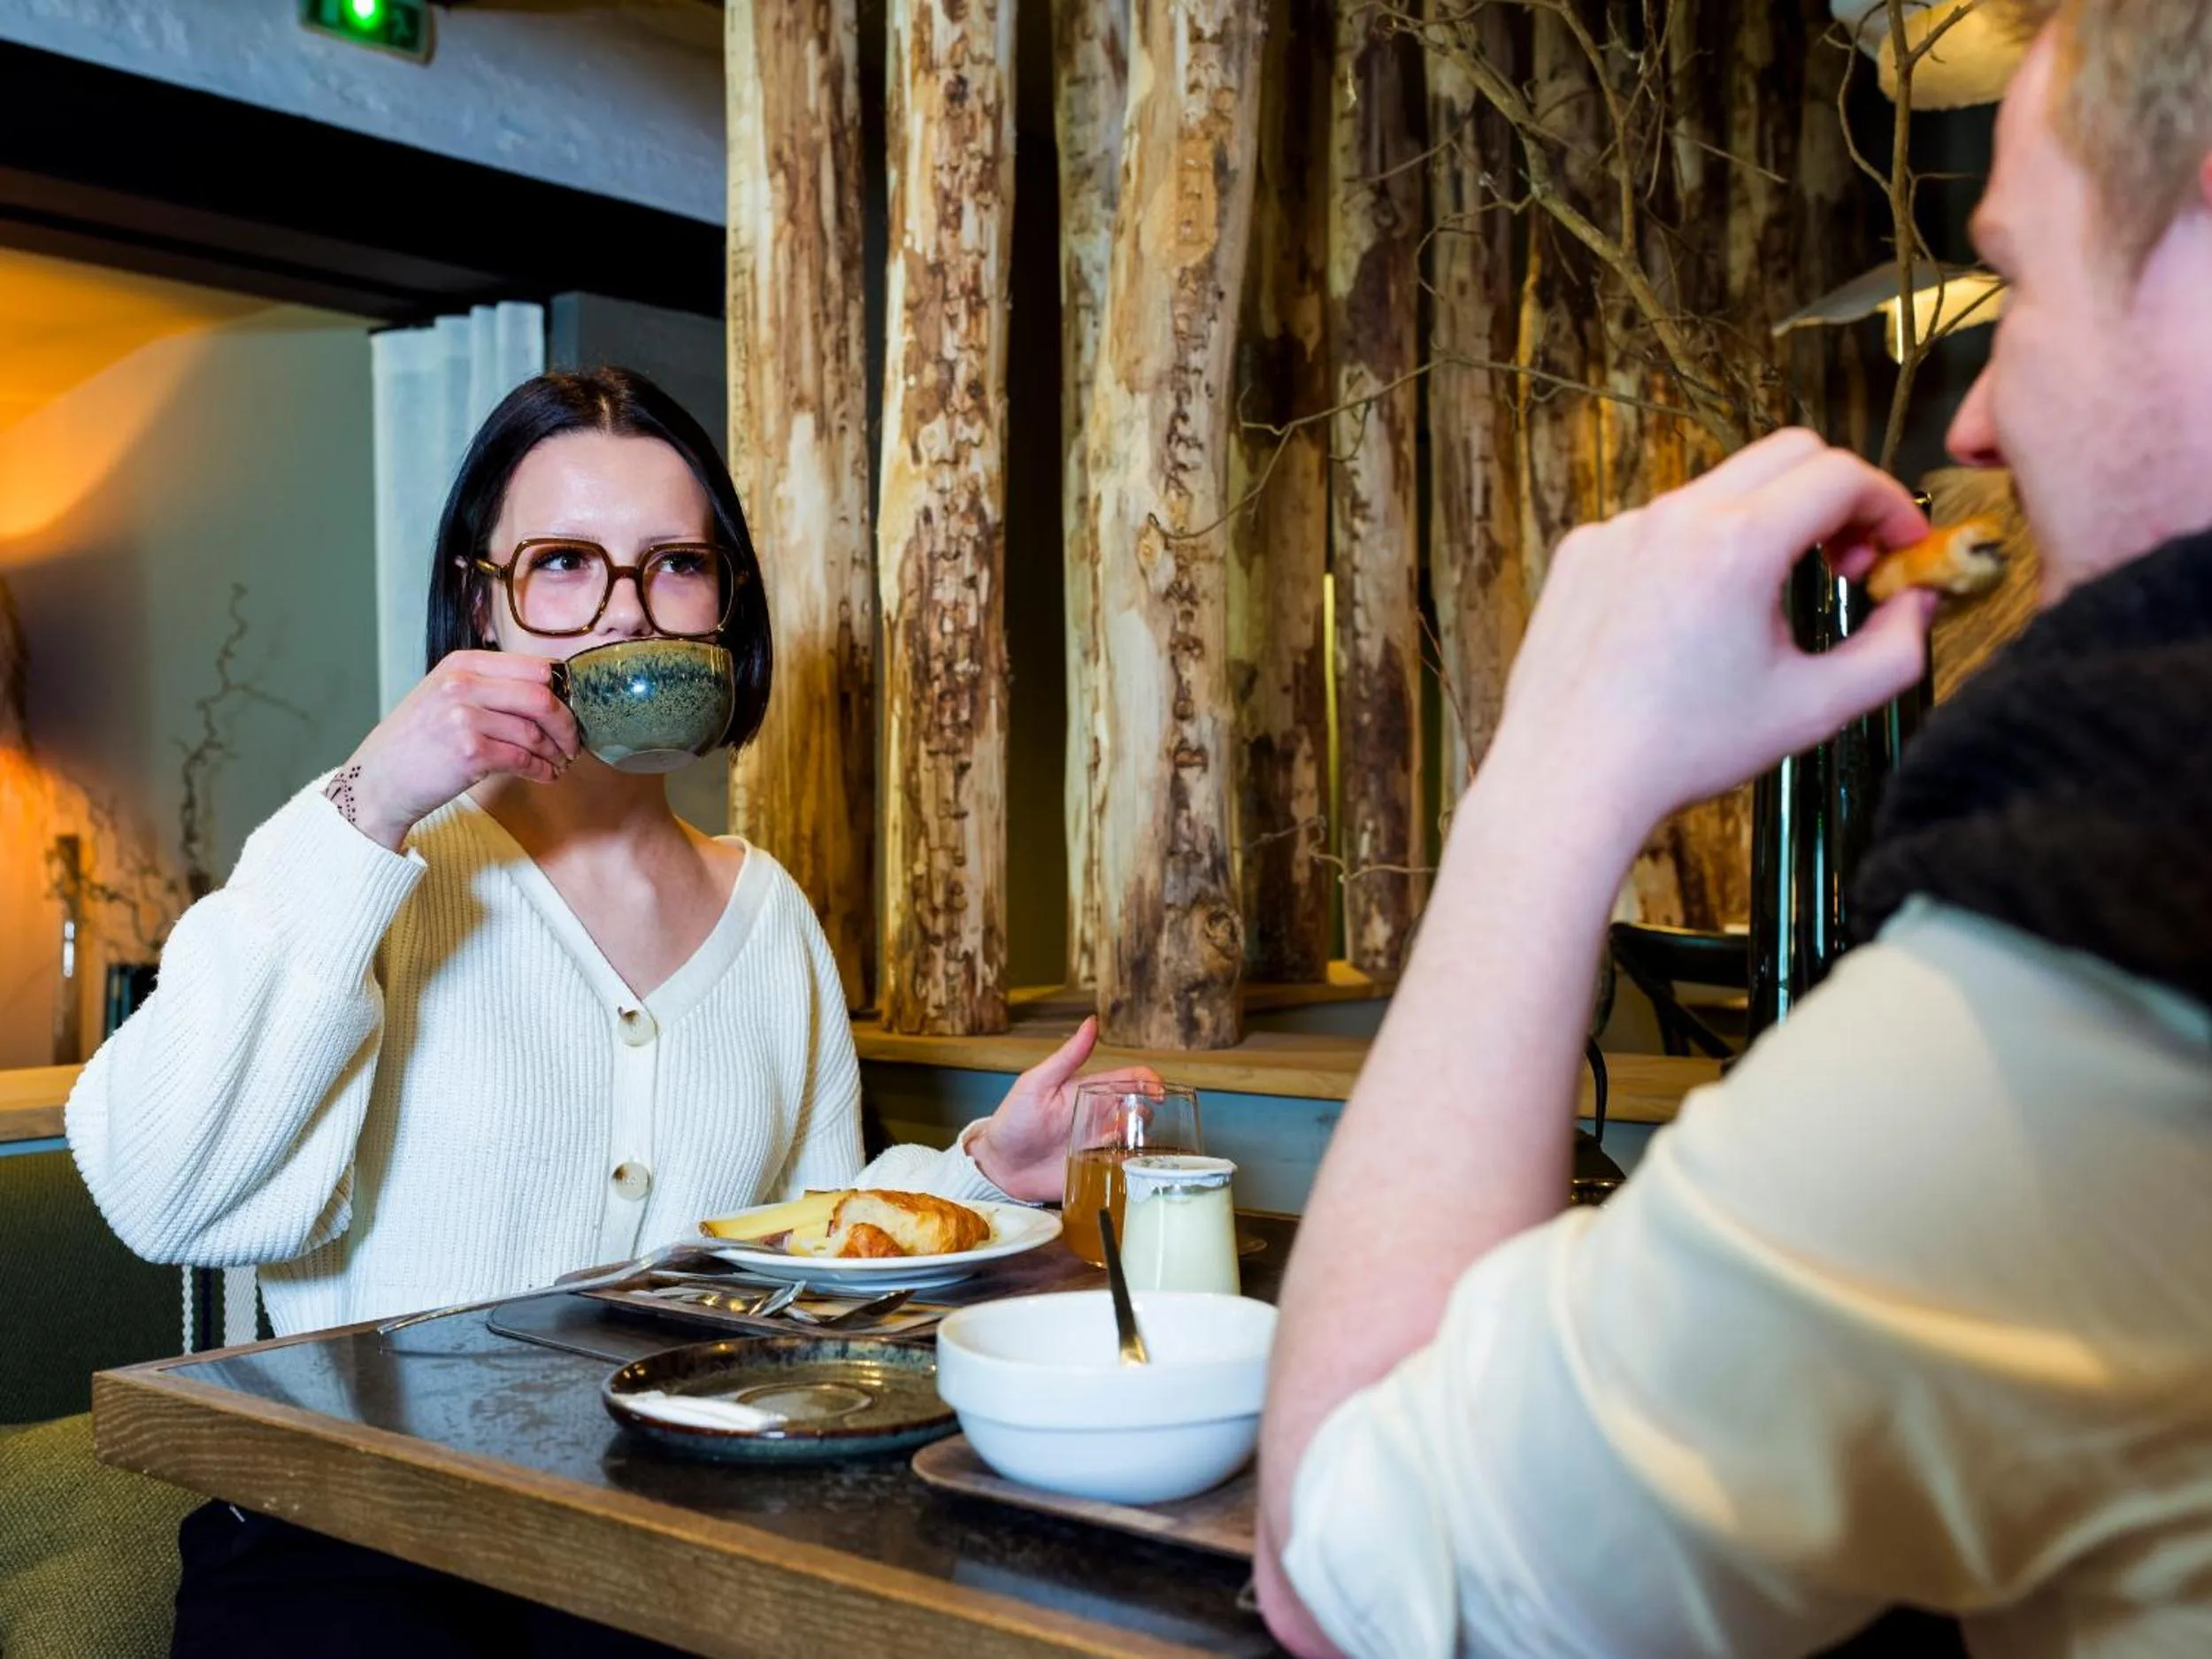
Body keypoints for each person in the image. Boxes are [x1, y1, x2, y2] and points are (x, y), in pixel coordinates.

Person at [1257, 5, 2212, 1656]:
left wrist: (1558, 757)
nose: (1973, 422)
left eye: (2018, 281)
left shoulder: (2097, 966)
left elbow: (1355, 1564)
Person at [65, 368, 1142, 1654]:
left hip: (661, 1531)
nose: (624, 611)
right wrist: (373, 798)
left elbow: (796, 1253)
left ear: (721, 606)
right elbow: (164, 1192)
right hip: (353, 1535)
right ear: (483, 600)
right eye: (565, 563)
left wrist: (985, 1174)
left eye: (674, 565)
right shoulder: (372, 866)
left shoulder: (769, 914)